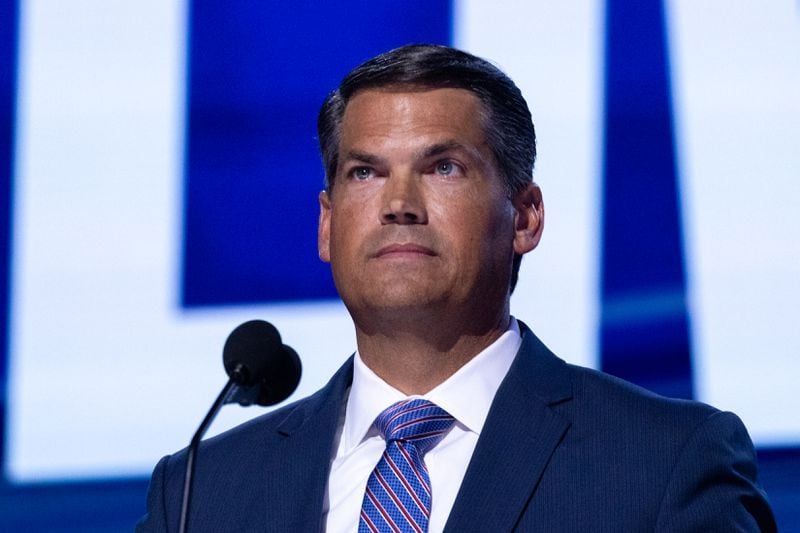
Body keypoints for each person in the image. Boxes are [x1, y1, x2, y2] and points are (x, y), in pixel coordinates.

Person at [137, 44, 776, 532]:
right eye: (365, 172)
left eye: (443, 167)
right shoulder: (200, 492)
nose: (398, 204)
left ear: (525, 217)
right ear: (327, 225)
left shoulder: (666, 462)